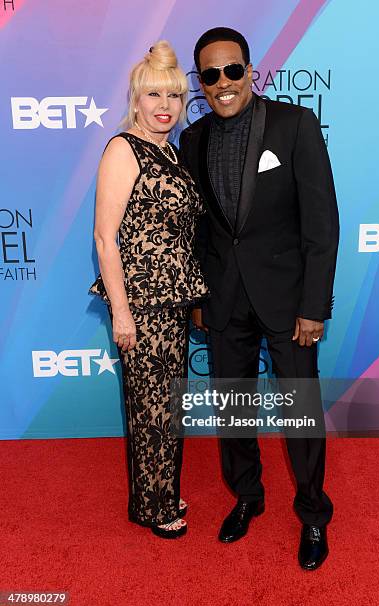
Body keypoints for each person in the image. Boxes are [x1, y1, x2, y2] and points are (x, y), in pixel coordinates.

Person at [179, 27, 339, 568]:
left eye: (231, 70)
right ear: (199, 82)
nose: (222, 83)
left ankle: (314, 514)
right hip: (226, 301)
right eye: (209, 75)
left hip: (288, 300)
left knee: (300, 414)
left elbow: (322, 224)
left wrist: (314, 306)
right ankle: (248, 496)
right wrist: (201, 297)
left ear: (250, 71)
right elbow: (201, 229)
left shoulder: (295, 125)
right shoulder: (193, 139)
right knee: (234, 413)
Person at [88, 40, 209, 539]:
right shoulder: (123, 148)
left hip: (173, 303)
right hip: (141, 305)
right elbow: (104, 235)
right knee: (150, 409)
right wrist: (121, 312)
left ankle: (156, 494)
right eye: (154, 95)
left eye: (174, 97)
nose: (164, 105)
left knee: (166, 405)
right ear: (136, 99)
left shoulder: (169, 151)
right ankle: (152, 507)